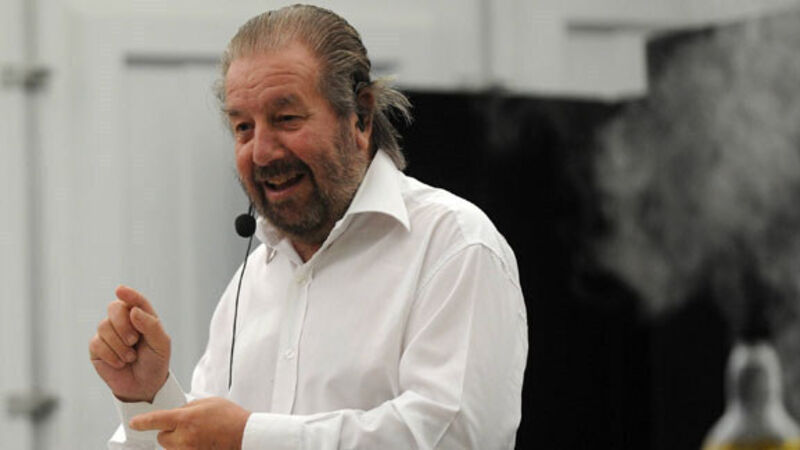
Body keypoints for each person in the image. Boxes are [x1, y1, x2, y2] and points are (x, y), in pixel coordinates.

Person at [89, 4, 528, 449]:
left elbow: (456, 437)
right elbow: (208, 439)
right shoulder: (253, 279)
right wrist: (148, 397)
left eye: (286, 119)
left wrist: (249, 437)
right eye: (243, 127)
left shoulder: (454, 244)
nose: (261, 151)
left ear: (360, 117)